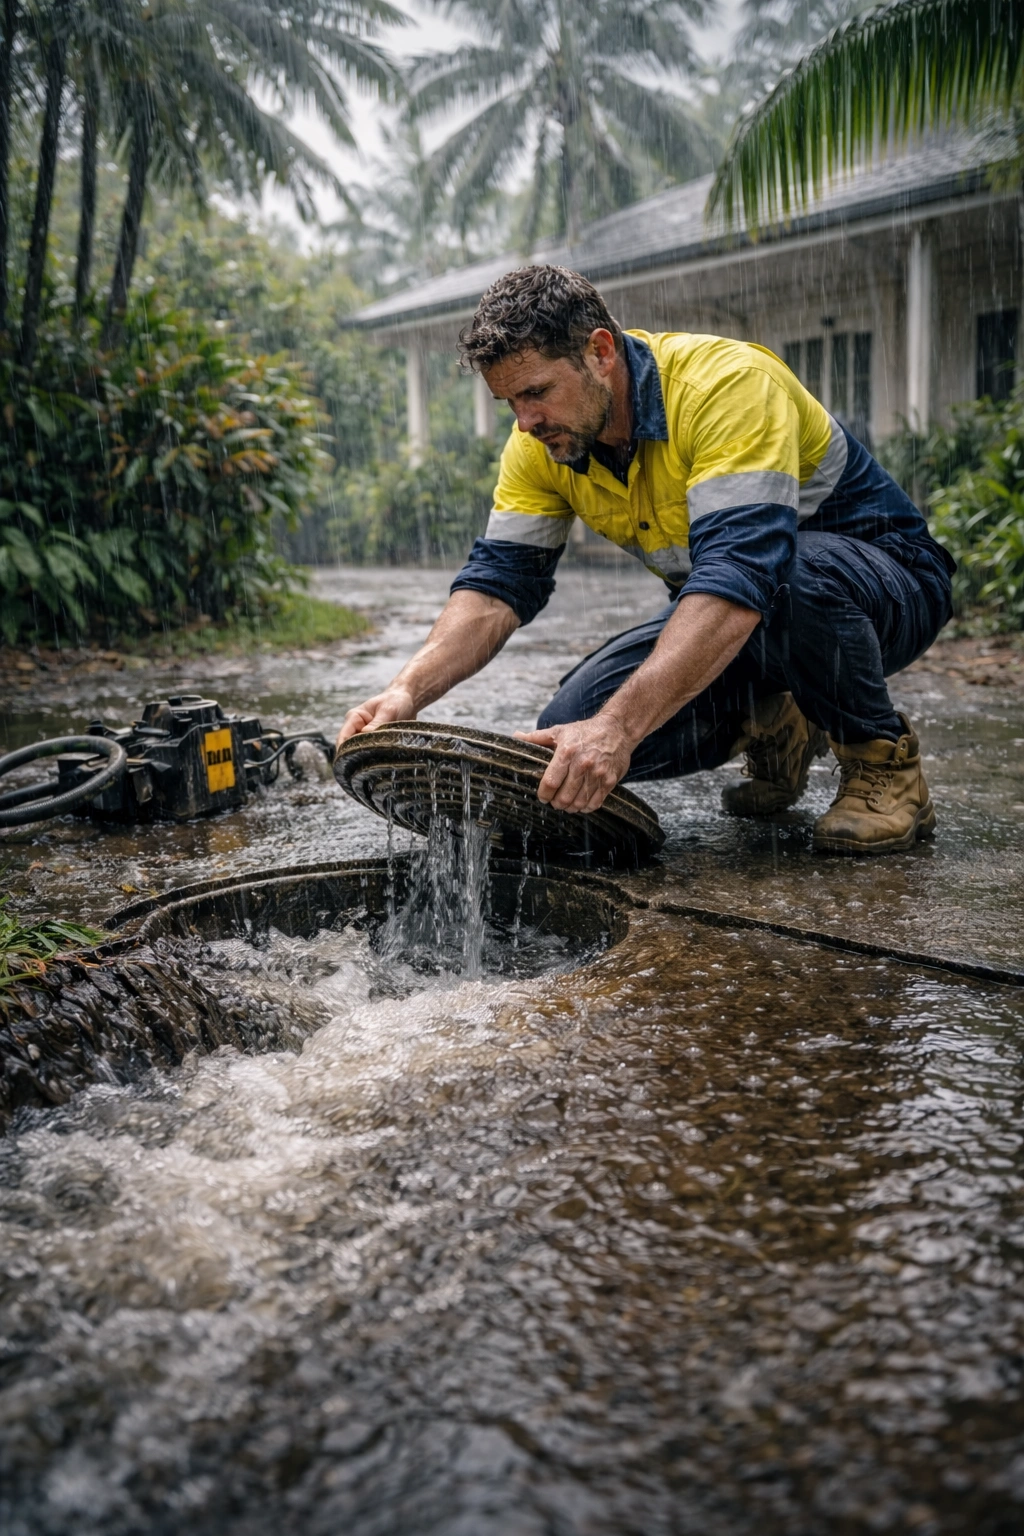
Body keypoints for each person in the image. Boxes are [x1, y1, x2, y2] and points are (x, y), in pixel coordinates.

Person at [337, 265, 954, 854]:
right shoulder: (542, 444)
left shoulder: (726, 386)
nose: (525, 422)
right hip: (748, 611)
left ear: (600, 353)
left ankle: (882, 760)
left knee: (774, 580)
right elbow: (497, 588)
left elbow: (744, 573)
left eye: (536, 393)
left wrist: (619, 731)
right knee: (566, 736)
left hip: (886, 588)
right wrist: (405, 692)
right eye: (510, 403)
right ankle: (777, 717)